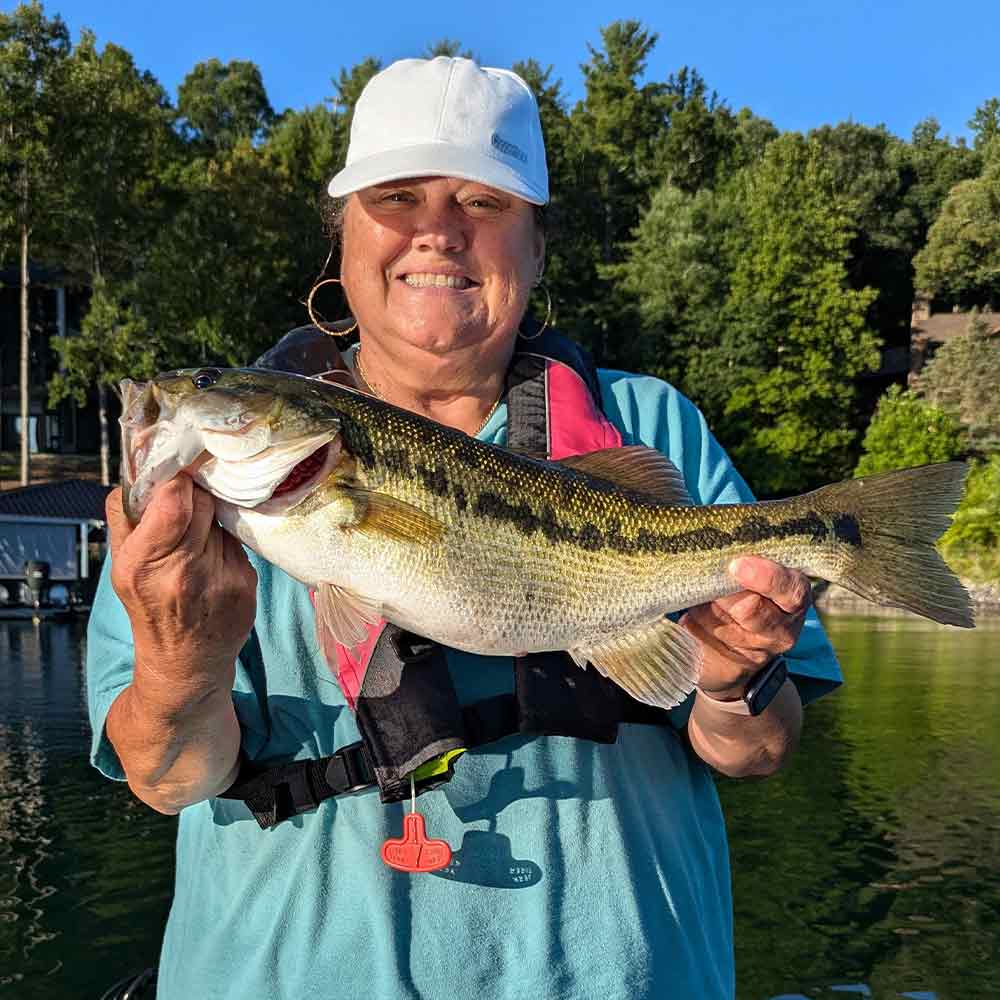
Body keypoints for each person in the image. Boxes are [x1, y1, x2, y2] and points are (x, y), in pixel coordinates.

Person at [87, 57, 841, 1000]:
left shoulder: (651, 429)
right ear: (343, 237)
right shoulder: (189, 505)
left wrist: (737, 681)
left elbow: (761, 749)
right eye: (396, 197)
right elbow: (166, 777)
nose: (436, 231)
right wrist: (179, 659)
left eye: (484, 202)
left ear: (534, 248)